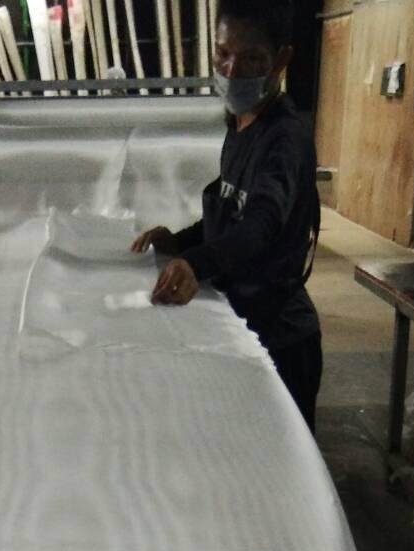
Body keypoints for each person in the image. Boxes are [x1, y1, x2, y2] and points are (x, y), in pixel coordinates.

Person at [131, 0, 322, 432]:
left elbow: (260, 225)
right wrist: (178, 241)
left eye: (251, 58)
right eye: (223, 54)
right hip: (244, 326)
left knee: (277, 458)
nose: (232, 71)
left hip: (282, 342)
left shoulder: (284, 140)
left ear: (281, 60)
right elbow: (231, 212)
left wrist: (195, 264)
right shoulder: (240, 125)